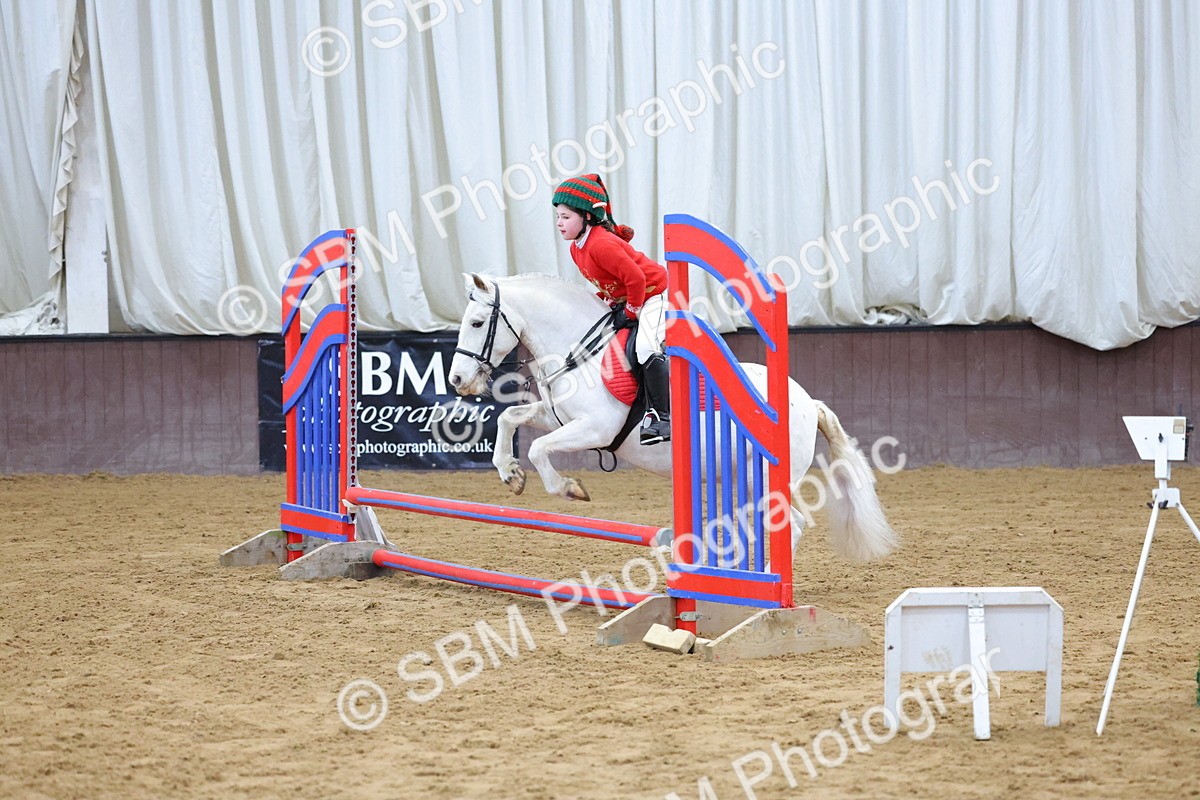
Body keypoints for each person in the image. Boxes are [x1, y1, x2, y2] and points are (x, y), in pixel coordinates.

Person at [552, 173, 670, 445]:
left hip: (653, 295)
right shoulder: (577, 248)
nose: (559, 223)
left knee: (646, 348)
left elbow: (637, 279)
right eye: (558, 216)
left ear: (588, 217)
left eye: (566, 217)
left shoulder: (601, 243)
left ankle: (662, 418)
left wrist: (630, 310)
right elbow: (609, 281)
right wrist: (609, 298)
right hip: (630, 296)